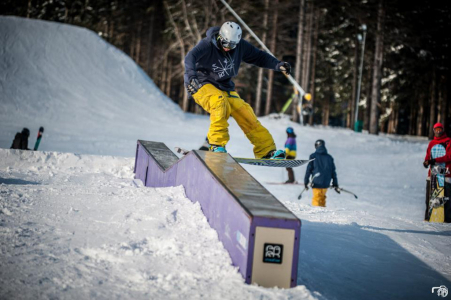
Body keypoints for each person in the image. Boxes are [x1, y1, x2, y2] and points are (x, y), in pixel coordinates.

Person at [184, 21, 291, 159]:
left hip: (224, 86)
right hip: (200, 83)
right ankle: (216, 145)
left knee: (244, 111)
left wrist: (278, 65)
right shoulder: (207, 44)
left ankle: (266, 151)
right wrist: (192, 76)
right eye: (226, 44)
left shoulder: (241, 46)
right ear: (220, 38)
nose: (228, 48)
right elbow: (190, 57)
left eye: (232, 45)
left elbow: (259, 56)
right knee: (218, 102)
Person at [423, 122, 451, 222]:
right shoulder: (431, 143)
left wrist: (434, 160)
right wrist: (426, 163)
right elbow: (428, 156)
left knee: (446, 199)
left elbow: (449, 156)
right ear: (433, 131)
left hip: (446, 174)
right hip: (433, 174)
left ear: (443, 130)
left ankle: (447, 219)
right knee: (429, 197)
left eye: (440, 129)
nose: (438, 131)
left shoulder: (448, 141)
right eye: (436, 129)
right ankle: (428, 217)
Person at [304, 139, 338, 207]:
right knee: (322, 198)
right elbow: (333, 172)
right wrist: (335, 183)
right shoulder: (329, 157)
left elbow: (309, 170)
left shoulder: (313, 156)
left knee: (317, 198)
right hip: (326, 182)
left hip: (316, 181)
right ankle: (322, 213)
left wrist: (306, 181)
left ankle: (316, 213)